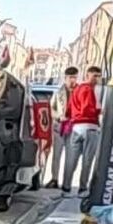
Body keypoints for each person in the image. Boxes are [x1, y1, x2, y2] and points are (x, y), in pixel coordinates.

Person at [61, 66, 103, 197]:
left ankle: (66, 188)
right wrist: (99, 111)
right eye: (94, 75)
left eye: (98, 76)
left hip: (76, 127)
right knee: (87, 160)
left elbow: (68, 110)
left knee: (71, 159)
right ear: (87, 75)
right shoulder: (88, 90)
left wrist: (71, 117)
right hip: (90, 127)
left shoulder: (76, 90)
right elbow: (87, 108)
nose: (97, 79)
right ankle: (82, 189)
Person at [47, 66, 78, 188]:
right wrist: (59, 116)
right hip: (60, 126)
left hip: (74, 128)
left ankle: (67, 182)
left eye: (74, 77)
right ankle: (54, 179)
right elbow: (51, 109)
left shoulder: (81, 92)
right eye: (70, 77)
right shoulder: (58, 92)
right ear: (65, 78)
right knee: (57, 155)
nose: (72, 80)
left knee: (71, 157)